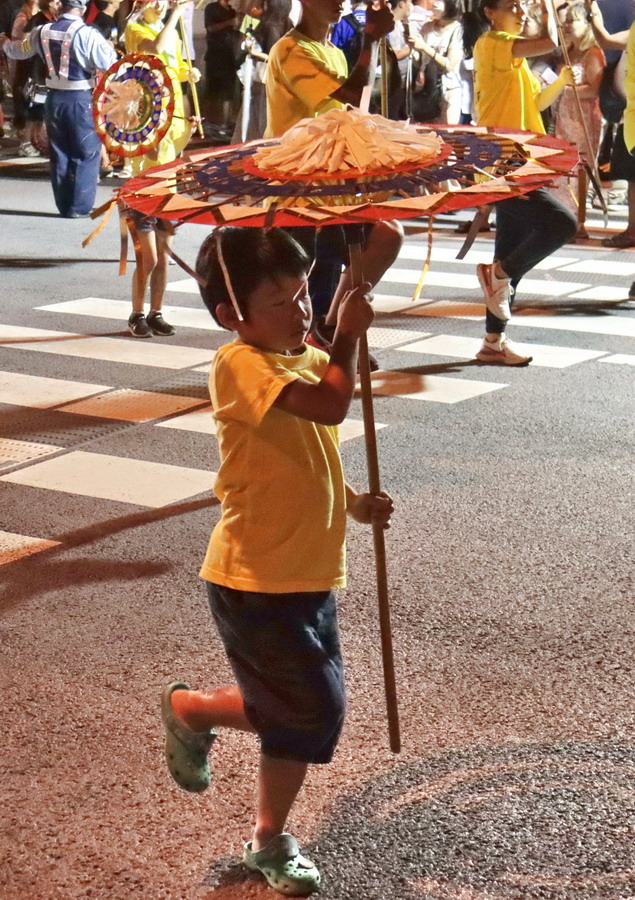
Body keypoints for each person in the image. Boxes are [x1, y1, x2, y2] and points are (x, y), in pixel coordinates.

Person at [160, 226, 393, 898]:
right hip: (255, 579)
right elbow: (328, 406)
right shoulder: (240, 365)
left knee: (297, 710)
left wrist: (352, 503)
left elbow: (297, 455)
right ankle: (265, 832)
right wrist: (345, 336)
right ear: (231, 314)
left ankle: (197, 715)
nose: (299, 312)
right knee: (311, 710)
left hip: (306, 572)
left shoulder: (293, 351)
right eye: (280, 302)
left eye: (301, 295)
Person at [264, 0, 403, 358]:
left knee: (387, 235)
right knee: (303, 281)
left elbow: (354, 109)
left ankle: (333, 323)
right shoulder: (290, 50)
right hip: (296, 188)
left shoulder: (334, 53)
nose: (339, 2)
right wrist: (371, 39)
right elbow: (350, 94)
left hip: (333, 183)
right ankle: (315, 346)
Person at [472, 0, 577, 365]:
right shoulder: (491, 43)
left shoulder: (514, 60)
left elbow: (536, 99)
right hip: (503, 161)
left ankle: (492, 342)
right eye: (512, 4)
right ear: (489, 11)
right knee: (563, 224)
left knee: (510, 246)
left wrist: (562, 81)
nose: (521, 10)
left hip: (524, 160)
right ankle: (497, 275)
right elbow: (547, 41)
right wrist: (548, 13)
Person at [122, 0, 201, 337]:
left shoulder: (172, 112)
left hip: (168, 178)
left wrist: (188, 76)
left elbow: (177, 148)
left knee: (164, 253)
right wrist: (176, 16)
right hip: (143, 182)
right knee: (149, 256)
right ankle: (136, 313)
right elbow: (155, 50)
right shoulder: (136, 28)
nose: (162, 3)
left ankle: (155, 311)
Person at [1, 0, 117, 217]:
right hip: (80, 98)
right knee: (85, 151)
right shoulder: (88, 34)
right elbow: (110, 63)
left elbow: (17, 51)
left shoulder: (41, 31)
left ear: (60, 6)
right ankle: (80, 206)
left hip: (53, 98)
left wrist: (5, 43)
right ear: (82, 8)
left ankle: (64, 204)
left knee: (60, 151)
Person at [555, 1, 604, 238]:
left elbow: (594, 88)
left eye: (572, 21)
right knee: (565, 170)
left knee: (580, 171)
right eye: (565, 22)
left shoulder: (592, 53)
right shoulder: (567, 52)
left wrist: (562, 89)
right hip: (565, 117)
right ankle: (565, 217)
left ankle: (579, 221)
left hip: (583, 118)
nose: (566, 26)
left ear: (586, 25)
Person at [231, 0, 292, 142]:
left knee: (257, 122)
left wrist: (254, 52)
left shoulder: (270, 26)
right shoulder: (287, 24)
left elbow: (275, 57)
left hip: (264, 82)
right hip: (278, 83)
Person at [410, 0, 463, 123]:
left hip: (448, 92)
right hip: (426, 91)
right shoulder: (427, 27)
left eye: (439, 1)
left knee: (447, 135)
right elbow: (420, 62)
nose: (434, 4)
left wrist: (424, 47)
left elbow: (448, 65)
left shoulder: (457, 29)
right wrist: (413, 48)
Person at [204, 0, 239, 132]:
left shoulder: (231, 11)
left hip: (229, 54)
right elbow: (210, 28)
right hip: (214, 54)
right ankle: (207, 121)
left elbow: (236, 30)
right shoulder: (211, 8)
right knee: (212, 89)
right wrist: (229, 22)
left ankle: (226, 122)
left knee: (228, 90)